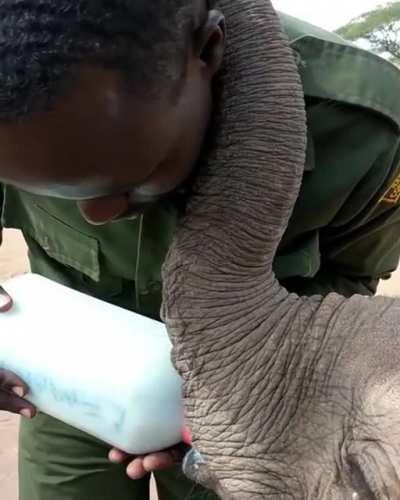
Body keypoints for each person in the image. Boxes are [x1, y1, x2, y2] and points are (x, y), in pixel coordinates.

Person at [0, 1, 400, 499]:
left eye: (136, 177)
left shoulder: (362, 128)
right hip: (69, 378)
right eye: (56, 190)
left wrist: (250, 387)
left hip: (247, 402)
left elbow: (351, 280)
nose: (98, 213)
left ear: (207, 52)